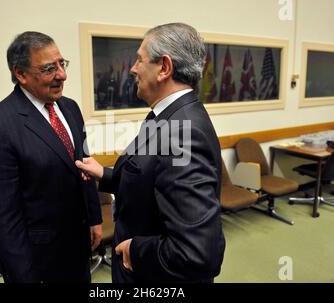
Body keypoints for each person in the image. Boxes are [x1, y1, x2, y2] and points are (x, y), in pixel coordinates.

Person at [76, 23, 225, 283]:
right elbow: (151, 179)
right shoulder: (168, 115)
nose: (132, 68)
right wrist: (106, 176)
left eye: (139, 60)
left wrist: (135, 250)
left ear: (164, 68)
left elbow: (198, 253)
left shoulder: (183, 133)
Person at [0, 32, 102, 283]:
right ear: (20, 74)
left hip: (77, 248)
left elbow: (83, 165)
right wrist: (24, 275)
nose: (62, 75)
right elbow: (2, 219)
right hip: (38, 261)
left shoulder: (70, 108)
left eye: (62, 64)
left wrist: (94, 218)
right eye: (49, 69)